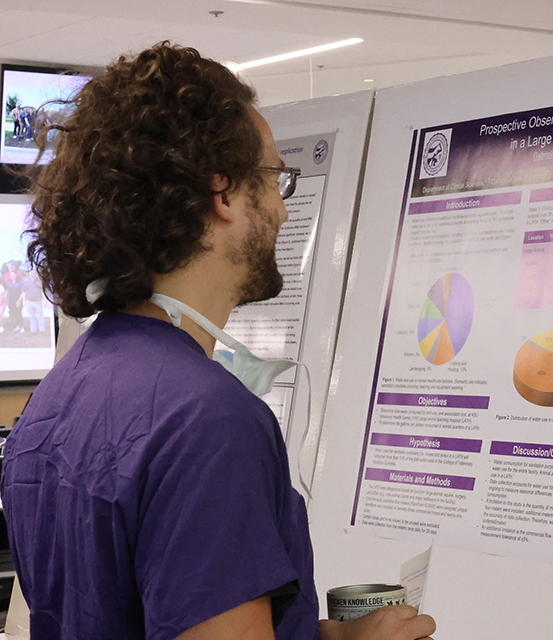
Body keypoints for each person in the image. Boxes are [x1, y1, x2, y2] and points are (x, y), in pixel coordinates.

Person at [0, 43, 436, 640]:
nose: (283, 207)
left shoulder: (59, 394)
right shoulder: (209, 422)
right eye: (274, 179)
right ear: (223, 192)